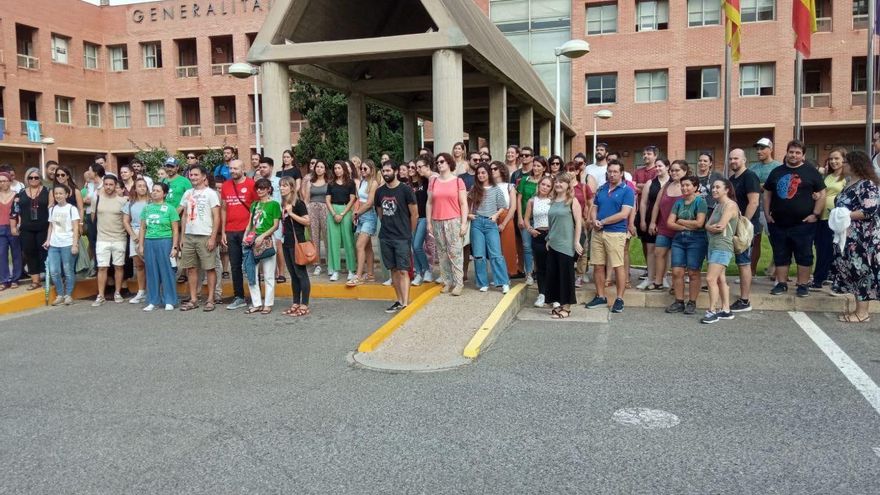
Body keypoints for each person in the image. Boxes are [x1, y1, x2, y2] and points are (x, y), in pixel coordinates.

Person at [763, 140, 826, 297]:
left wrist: (815, 214)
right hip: (778, 223)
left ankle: (802, 285)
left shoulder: (811, 172)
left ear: (803, 155)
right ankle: (781, 283)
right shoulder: (776, 172)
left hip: (803, 224)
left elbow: (822, 193)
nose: (794, 155)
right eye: (791, 152)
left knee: (804, 254)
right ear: (787, 152)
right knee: (780, 254)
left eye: (798, 152)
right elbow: (767, 193)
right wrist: (766, 214)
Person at [831, 151, 880, 323]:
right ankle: (858, 308)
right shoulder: (849, 184)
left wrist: (845, 215)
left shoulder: (867, 185)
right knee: (853, 270)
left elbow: (869, 210)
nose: (842, 165)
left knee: (862, 271)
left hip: (863, 239)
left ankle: (862, 312)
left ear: (856, 164)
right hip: (847, 237)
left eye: (846, 162)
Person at [585, 162, 635, 314]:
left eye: (615, 172)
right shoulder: (602, 188)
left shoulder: (627, 191)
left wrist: (603, 222)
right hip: (598, 232)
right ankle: (601, 296)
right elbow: (594, 208)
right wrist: (594, 221)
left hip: (615, 232)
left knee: (617, 266)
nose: (612, 174)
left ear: (621, 173)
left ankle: (619, 299)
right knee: (598, 265)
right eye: (610, 171)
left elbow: (624, 213)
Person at [178, 165, 221, 311]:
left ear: (204, 177)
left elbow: (216, 217)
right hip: (189, 236)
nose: (193, 177)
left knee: (209, 268)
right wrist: (182, 237)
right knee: (191, 268)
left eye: (196, 175)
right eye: (191, 175)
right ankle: (194, 299)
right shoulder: (188, 193)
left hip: (205, 235)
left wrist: (213, 238)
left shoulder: (211, 194)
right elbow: (183, 215)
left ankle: (210, 299)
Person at [376, 161, 418, 312]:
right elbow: (380, 213)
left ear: (395, 171)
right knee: (393, 269)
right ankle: (399, 300)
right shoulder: (379, 192)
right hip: (386, 236)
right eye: (383, 171)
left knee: (403, 270)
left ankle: (406, 303)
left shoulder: (405, 190)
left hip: (402, 237)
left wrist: (409, 233)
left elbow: (414, 214)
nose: (385, 173)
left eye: (388, 170)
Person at [664, 176, 708, 316]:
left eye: (688, 185)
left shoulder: (700, 202)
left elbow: (699, 223)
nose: (684, 188)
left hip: (697, 240)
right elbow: (670, 223)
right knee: (677, 271)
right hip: (679, 240)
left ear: (695, 187)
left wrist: (681, 220)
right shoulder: (678, 203)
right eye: (683, 185)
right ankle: (679, 301)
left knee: (693, 272)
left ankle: (692, 302)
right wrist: (686, 227)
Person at [426, 152, 468, 296]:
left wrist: (463, 223)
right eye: (437, 162)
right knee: (442, 253)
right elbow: (429, 203)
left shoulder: (458, 181)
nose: (439, 164)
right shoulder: (434, 181)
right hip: (437, 220)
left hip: (453, 220)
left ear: (449, 163)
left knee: (455, 252)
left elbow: (463, 203)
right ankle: (447, 281)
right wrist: (429, 222)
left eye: (442, 161)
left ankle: (458, 283)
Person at [544, 173, 583, 318]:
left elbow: (578, 222)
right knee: (555, 276)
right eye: (557, 182)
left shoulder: (572, 201)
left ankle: (566, 307)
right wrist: (548, 238)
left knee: (566, 277)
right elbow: (551, 222)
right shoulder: (553, 201)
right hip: (553, 244)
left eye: (562, 182)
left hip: (566, 245)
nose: (559, 184)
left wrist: (576, 241)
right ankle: (559, 304)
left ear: (568, 185)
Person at [219, 159, 257, 310]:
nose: (232, 171)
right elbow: (223, 209)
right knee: (235, 266)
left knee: (251, 265)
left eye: (236, 168)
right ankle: (239, 297)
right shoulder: (226, 185)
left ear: (243, 169)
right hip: (230, 230)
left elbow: (256, 208)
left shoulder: (251, 184)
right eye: (230, 168)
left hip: (247, 231)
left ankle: (255, 298)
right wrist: (223, 231)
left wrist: (254, 230)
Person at [467, 163, 510, 294]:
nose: (481, 175)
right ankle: (483, 283)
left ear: (488, 174)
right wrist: (469, 215)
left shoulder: (496, 189)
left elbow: (503, 206)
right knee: (479, 255)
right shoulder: (474, 188)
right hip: (477, 224)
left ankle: (503, 282)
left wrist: (496, 216)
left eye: (483, 173)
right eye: (478, 173)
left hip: (491, 224)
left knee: (496, 254)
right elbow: (466, 204)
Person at [727, 148, 761, 312]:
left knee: (743, 262)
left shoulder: (750, 176)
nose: (733, 161)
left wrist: (742, 223)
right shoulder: (732, 179)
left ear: (744, 160)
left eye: (736, 158)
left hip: (744, 227)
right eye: (731, 159)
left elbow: (753, 202)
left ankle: (745, 300)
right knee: (735, 260)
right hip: (731, 225)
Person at [702, 179, 740, 324]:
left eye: (718, 187)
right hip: (714, 245)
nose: (714, 190)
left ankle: (712, 310)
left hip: (723, 247)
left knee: (710, 279)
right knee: (720, 279)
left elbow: (720, 226)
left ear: (727, 189)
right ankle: (726, 310)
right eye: (713, 188)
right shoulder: (718, 205)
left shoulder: (730, 205)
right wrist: (711, 227)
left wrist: (710, 227)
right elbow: (708, 224)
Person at [648, 160, 689, 290]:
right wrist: (653, 222)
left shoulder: (688, 187)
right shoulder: (666, 186)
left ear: (685, 171)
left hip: (679, 229)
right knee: (659, 252)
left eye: (677, 170)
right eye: (672, 170)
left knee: (677, 257)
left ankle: (675, 284)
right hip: (663, 227)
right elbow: (656, 205)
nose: (674, 172)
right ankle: (658, 281)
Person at [137, 183, 179, 311]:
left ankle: (170, 300)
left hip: (165, 241)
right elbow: (143, 227)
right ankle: (153, 300)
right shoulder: (147, 208)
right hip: (150, 241)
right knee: (152, 271)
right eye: (153, 190)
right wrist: (140, 244)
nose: (154, 192)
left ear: (164, 194)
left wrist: (174, 247)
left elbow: (175, 230)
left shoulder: (170, 208)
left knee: (167, 271)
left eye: (158, 191)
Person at [243, 178, 281, 314]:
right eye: (258, 188)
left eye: (263, 188)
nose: (259, 190)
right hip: (253, 241)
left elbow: (275, 225)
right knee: (251, 273)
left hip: (267, 241)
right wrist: (246, 236)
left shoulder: (274, 205)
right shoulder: (254, 205)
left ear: (268, 189)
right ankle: (257, 303)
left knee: (269, 274)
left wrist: (263, 236)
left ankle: (268, 304)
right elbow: (250, 224)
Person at [812, 147, 846, 289]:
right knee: (821, 248)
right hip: (823, 216)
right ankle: (824, 277)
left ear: (844, 160)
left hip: (837, 219)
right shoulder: (827, 176)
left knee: (832, 249)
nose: (833, 161)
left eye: (836, 158)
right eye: (831, 159)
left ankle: (819, 280)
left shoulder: (847, 177)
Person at [91, 174, 128, 305]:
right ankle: (101, 295)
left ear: (115, 186)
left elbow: (126, 220)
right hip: (102, 239)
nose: (108, 187)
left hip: (119, 238)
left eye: (111, 184)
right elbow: (93, 218)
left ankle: (117, 293)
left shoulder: (123, 201)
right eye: (106, 184)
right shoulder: (97, 200)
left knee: (118, 266)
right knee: (102, 267)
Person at [748, 138, 782, 279]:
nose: (759, 151)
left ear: (770, 149)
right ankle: (751, 272)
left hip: (771, 210)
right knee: (754, 241)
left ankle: (775, 271)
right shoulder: (753, 168)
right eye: (758, 149)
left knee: (776, 241)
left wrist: (760, 187)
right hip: (754, 209)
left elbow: (777, 187)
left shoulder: (778, 167)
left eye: (762, 148)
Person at [15, 167, 53, 291]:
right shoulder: (21, 192)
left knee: (45, 253)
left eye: (36, 177)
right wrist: (17, 224)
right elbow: (16, 210)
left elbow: (52, 210)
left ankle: (49, 278)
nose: (33, 179)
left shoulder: (48, 191)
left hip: (43, 227)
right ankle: (35, 281)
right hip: (26, 229)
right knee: (30, 253)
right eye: (30, 177)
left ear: (40, 179)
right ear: (27, 179)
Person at [279, 176, 311, 317]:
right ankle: (295, 302)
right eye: (280, 185)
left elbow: (307, 221)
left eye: (285, 185)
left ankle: (305, 304)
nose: (281, 188)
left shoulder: (298, 203)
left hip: (297, 242)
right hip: (287, 242)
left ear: (292, 187)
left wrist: (291, 213)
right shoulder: (283, 203)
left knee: (301, 273)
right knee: (293, 274)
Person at [43, 184, 80, 305]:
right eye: (56, 193)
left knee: (68, 270)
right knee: (54, 270)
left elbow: (75, 228)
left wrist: (75, 245)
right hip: (54, 244)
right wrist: (48, 240)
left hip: (67, 243)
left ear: (67, 194)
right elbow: (50, 226)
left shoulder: (72, 209)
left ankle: (68, 295)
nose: (58, 196)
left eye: (61, 193)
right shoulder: (52, 209)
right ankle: (60, 294)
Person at [636, 158, 670, 290]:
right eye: (656, 166)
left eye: (660, 166)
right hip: (651, 220)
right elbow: (643, 203)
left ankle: (663, 278)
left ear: (667, 167)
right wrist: (644, 220)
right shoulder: (650, 183)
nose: (657, 168)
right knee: (650, 249)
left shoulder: (672, 183)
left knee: (665, 251)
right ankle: (650, 278)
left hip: (666, 220)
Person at [256, 157, 288, 284]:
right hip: (263, 217)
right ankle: (269, 273)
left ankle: (281, 273)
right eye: (260, 167)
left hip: (276, 216)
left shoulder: (279, 181)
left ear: (271, 167)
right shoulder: (258, 183)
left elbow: (285, 199)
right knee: (264, 243)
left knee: (278, 243)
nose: (262, 169)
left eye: (264, 167)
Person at [516, 155, 546, 286]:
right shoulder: (525, 180)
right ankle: (528, 273)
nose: (536, 168)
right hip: (526, 219)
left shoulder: (547, 181)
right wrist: (520, 218)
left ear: (544, 168)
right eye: (534, 165)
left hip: (542, 220)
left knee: (540, 248)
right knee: (527, 247)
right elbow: (519, 199)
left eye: (539, 166)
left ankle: (540, 273)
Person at [348, 159, 379, 286]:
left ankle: (359, 275)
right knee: (367, 247)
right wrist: (356, 213)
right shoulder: (362, 182)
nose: (362, 171)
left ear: (372, 169)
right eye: (361, 168)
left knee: (359, 245)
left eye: (365, 168)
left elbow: (369, 203)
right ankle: (370, 274)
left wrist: (357, 213)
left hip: (369, 216)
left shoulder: (374, 183)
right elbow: (359, 199)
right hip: (361, 215)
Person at [325, 160, 357, 282]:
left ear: (344, 169)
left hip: (346, 211)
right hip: (333, 210)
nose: (337, 170)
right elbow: (327, 199)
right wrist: (334, 214)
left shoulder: (350, 183)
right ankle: (335, 270)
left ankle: (351, 269)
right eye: (335, 168)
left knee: (348, 240)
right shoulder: (331, 183)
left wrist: (342, 214)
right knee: (333, 241)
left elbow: (352, 199)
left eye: (339, 168)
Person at [523, 176, 553, 307]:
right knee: (540, 267)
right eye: (543, 184)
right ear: (539, 185)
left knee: (552, 266)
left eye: (548, 186)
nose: (545, 187)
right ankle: (542, 294)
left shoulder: (553, 201)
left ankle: (553, 295)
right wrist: (530, 229)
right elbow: (526, 219)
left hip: (551, 235)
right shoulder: (532, 201)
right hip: (538, 234)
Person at [123, 178, 150, 304]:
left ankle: (152, 291)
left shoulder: (151, 202)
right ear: (135, 188)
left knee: (151, 264)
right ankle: (141, 292)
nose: (142, 188)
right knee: (139, 265)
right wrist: (133, 235)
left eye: (144, 186)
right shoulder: (130, 203)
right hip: (134, 233)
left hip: (149, 234)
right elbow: (125, 221)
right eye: (139, 186)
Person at [491, 160, 520, 281]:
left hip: (506, 217)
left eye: (495, 169)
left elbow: (513, 207)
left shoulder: (510, 186)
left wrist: (504, 223)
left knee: (508, 247)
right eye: (491, 169)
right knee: (494, 249)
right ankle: (497, 275)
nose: (492, 171)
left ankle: (508, 273)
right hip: (492, 216)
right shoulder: (489, 187)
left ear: (501, 170)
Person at [302, 159, 328, 276]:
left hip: (325, 209)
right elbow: (306, 199)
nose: (319, 169)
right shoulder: (310, 182)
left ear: (325, 169)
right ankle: (317, 264)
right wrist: (306, 213)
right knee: (314, 237)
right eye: (317, 167)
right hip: (312, 208)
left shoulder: (329, 182)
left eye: (321, 167)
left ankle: (330, 263)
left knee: (327, 236)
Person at [411, 157, 433, 285]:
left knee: (417, 245)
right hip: (413, 218)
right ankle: (419, 273)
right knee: (414, 247)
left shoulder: (427, 180)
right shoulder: (408, 184)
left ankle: (427, 270)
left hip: (424, 217)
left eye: (418, 167)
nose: (415, 170)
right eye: (414, 167)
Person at [0, 172, 22, 290]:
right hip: (0, 227)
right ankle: (3, 280)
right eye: (0, 181)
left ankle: (15, 279)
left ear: (9, 181)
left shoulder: (17, 195)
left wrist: (19, 225)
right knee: (1, 254)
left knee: (16, 254)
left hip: (13, 227)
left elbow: (20, 212)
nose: (2, 183)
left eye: (4, 180)